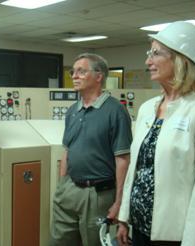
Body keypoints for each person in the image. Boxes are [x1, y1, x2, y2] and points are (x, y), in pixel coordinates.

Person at [117, 21, 195, 246]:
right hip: (140, 228)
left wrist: (194, 241)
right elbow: (136, 171)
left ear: (179, 59)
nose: (148, 61)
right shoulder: (147, 108)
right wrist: (124, 218)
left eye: (155, 54)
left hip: (177, 235)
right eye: (149, 54)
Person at [50, 53, 132, 246]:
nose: (75, 76)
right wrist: (61, 186)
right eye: (73, 72)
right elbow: (67, 151)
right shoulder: (72, 111)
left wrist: (119, 202)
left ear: (99, 76)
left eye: (81, 71)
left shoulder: (115, 111)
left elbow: (123, 160)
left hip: (97, 194)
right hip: (69, 190)